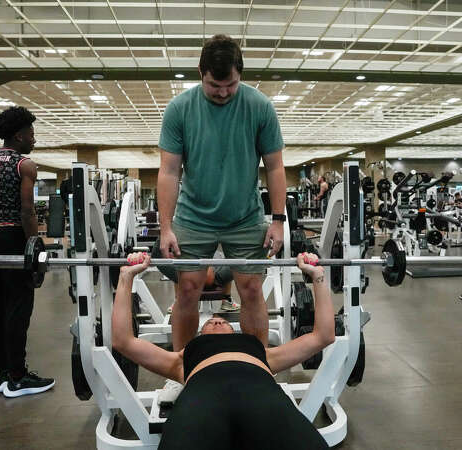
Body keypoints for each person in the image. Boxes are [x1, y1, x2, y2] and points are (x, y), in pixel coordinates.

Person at [112, 252, 333, 450]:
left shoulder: (263, 354)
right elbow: (123, 341)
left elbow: (323, 336)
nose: (216, 320)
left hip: (262, 399)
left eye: (221, 321)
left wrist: (318, 276)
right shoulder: (181, 360)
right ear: (198, 338)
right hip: (201, 402)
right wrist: (126, 277)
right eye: (209, 323)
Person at [157, 34, 286, 352]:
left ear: (240, 75)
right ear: (201, 72)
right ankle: (182, 369)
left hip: (245, 215)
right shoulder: (179, 109)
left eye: (231, 84)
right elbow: (169, 171)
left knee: (252, 289)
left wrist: (278, 220)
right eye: (215, 85)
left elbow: (275, 167)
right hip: (193, 215)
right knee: (187, 289)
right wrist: (166, 227)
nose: (224, 92)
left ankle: (258, 366)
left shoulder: (259, 106)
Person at [0, 106, 54, 397]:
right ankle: (19, 377)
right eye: (31, 133)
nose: (34, 138)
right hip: (14, 236)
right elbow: (27, 211)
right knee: (18, 307)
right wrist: (35, 246)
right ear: (19, 136)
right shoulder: (25, 165)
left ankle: (4, 373)